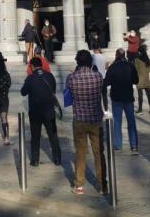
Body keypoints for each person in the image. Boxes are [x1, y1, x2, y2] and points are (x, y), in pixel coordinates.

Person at [67, 49, 104, 195]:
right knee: (98, 153)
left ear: (77, 61)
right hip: (95, 118)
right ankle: (102, 183)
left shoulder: (72, 78)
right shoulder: (97, 76)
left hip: (80, 119)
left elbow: (68, 94)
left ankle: (79, 184)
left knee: (80, 153)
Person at [21, 56, 61, 166]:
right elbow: (53, 89)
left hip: (35, 112)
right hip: (49, 111)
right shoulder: (49, 76)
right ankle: (57, 158)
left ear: (32, 66)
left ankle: (35, 160)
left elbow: (23, 92)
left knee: (35, 136)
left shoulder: (30, 78)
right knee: (53, 135)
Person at [104, 48, 139, 153]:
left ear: (116, 55)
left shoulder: (113, 67)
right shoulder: (130, 66)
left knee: (117, 122)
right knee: (131, 122)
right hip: (128, 97)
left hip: (117, 98)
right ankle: (133, 145)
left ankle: (118, 145)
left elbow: (106, 82)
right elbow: (136, 80)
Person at [134, 45, 150, 116]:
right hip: (146, 79)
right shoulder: (148, 60)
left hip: (140, 79)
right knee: (149, 94)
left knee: (140, 95)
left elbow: (135, 70)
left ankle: (140, 110)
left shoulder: (137, 60)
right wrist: (145, 71)